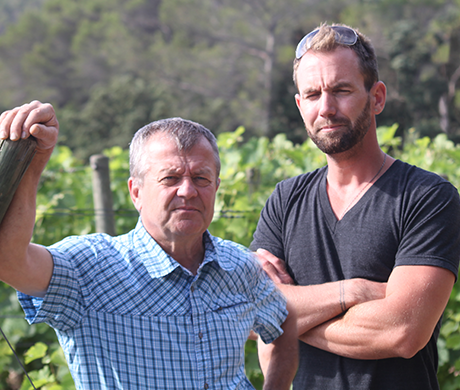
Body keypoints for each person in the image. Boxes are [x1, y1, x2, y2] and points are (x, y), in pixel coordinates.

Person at [0, 101, 298, 390]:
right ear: (136, 192)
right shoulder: (89, 269)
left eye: (201, 178)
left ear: (216, 187)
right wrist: (34, 160)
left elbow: (283, 325)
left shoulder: (240, 265)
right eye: (170, 178)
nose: (188, 190)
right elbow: (9, 261)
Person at [250, 23, 460, 390]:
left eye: (341, 90)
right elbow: (249, 314)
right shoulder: (285, 201)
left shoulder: (427, 197)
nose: (326, 108)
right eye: (312, 95)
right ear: (300, 106)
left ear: (376, 97)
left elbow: (403, 332)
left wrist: (287, 317)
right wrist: (356, 292)